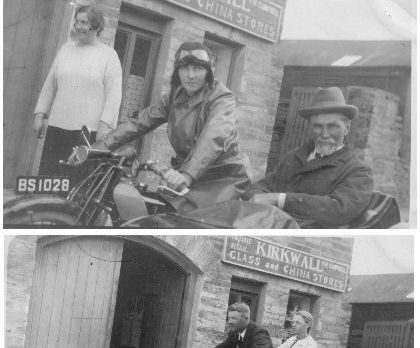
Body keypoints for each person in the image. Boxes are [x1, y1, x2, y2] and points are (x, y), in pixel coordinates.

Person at [78, 41, 251, 213]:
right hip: (187, 173)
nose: (190, 75)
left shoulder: (222, 98)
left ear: (208, 72)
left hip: (222, 177)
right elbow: (139, 123)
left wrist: (187, 175)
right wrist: (95, 149)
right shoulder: (174, 96)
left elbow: (213, 137)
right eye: (184, 68)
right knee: (154, 210)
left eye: (197, 69)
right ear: (177, 71)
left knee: (191, 220)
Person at [242, 87, 374, 228]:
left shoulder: (358, 171)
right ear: (310, 127)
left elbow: (339, 209)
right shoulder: (295, 158)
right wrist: (256, 197)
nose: (324, 134)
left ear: (346, 128)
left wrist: (280, 199)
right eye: (318, 126)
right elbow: (263, 186)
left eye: (332, 127)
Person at [33, 2, 122, 187]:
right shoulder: (66, 49)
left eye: (85, 22)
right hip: (58, 128)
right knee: (48, 183)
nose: (79, 26)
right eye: (77, 21)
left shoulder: (108, 55)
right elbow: (51, 84)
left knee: (77, 186)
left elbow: (114, 95)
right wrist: (40, 114)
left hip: (86, 134)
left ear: (97, 26)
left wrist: (105, 127)